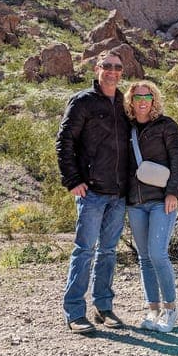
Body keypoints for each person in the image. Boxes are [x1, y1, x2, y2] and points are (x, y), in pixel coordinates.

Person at [56, 49, 130, 334]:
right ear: (96, 68)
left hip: (118, 191)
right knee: (84, 251)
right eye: (107, 66)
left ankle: (104, 307)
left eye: (118, 67)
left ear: (122, 71)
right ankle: (75, 312)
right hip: (91, 192)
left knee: (108, 252)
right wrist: (73, 180)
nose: (113, 71)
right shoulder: (83, 101)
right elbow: (64, 143)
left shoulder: (124, 102)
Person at [124, 80, 178, 333]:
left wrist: (173, 193)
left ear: (153, 99)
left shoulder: (166, 125)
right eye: (137, 97)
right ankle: (153, 309)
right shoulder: (126, 129)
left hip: (161, 201)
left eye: (146, 96)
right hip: (135, 202)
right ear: (130, 100)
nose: (141, 101)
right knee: (144, 257)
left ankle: (170, 309)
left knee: (158, 253)